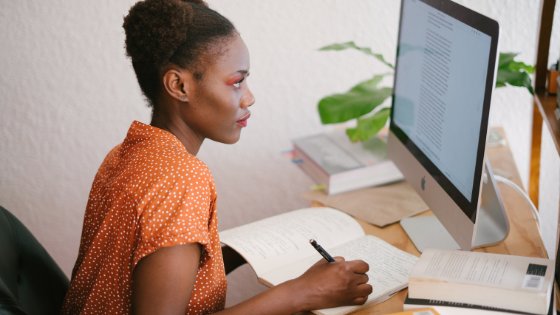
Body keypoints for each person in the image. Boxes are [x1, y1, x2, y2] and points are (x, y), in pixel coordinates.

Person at [61, 0, 373, 314]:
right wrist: (302, 293)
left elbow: (143, 268)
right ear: (179, 85)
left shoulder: (128, 153)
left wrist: (234, 255)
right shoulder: (182, 179)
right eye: (237, 82)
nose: (249, 97)